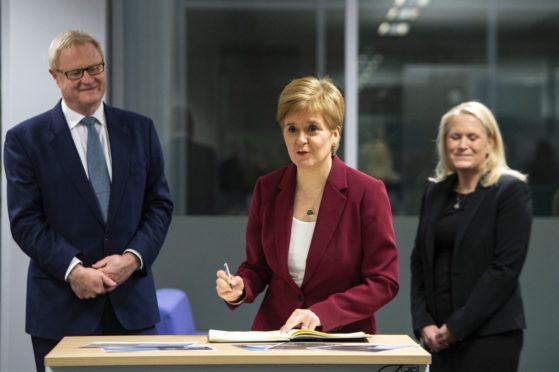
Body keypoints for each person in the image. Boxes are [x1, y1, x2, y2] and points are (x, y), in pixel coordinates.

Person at [4, 30, 173, 372]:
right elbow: (26, 222)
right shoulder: (25, 140)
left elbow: (159, 206)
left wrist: (131, 258)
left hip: (132, 309)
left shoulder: (140, 130)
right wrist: (74, 270)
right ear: (55, 77)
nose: (88, 79)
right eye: (75, 72)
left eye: (95, 68)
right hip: (61, 310)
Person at [215, 76, 399, 334]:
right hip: (275, 338)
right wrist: (239, 287)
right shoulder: (267, 189)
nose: (300, 139)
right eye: (292, 129)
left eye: (312, 129)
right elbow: (257, 267)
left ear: (334, 134)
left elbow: (383, 281)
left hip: (342, 339)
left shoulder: (367, 192)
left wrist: (322, 313)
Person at [410, 101, 532, 371]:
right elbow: (419, 260)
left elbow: (504, 270)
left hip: (490, 336)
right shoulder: (434, 193)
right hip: (437, 337)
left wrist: (457, 326)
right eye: (455, 137)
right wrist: (423, 322)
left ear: (490, 142)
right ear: (444, 143)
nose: (462, 144)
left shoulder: (509, 191)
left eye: (472, 137)